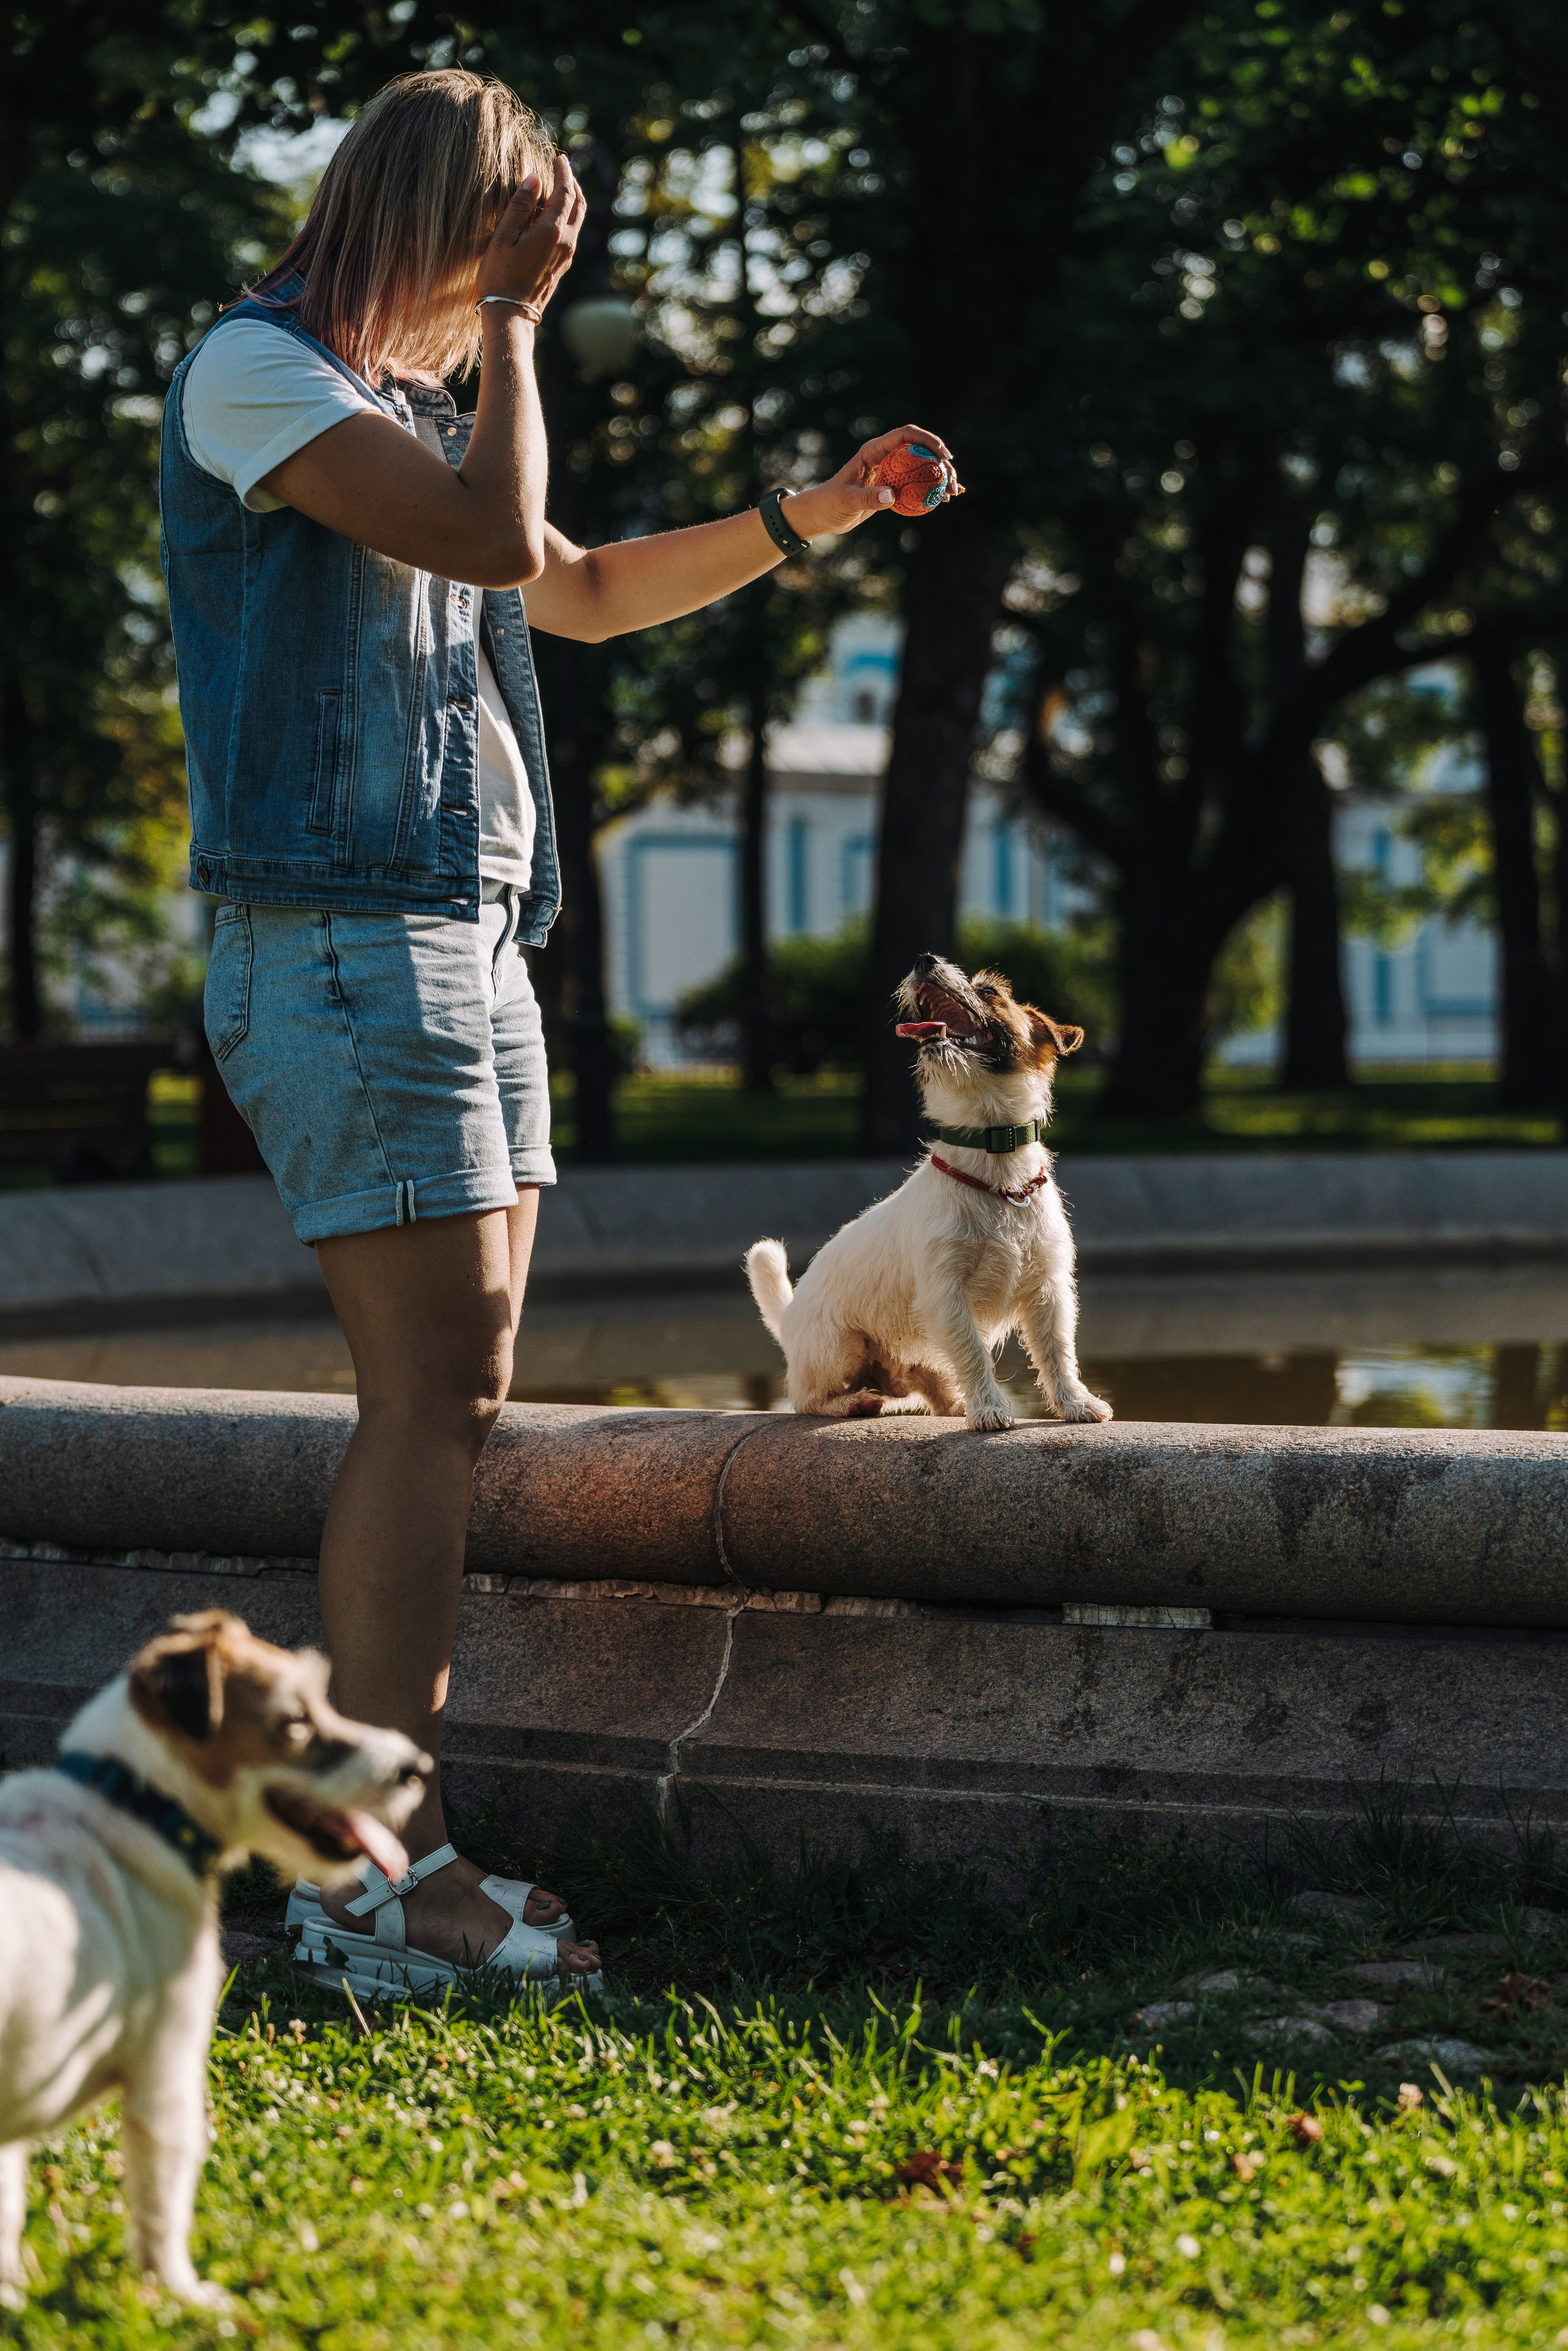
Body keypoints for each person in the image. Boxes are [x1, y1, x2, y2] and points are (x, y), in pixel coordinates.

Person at [159, 66, 956, 1994]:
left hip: (467, 942)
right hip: (353, 940)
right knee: (427, 1405)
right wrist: (517, 329)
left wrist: (814, 510)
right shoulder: (253, 376)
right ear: (439, 221)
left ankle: (370, 1853)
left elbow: (577, 590)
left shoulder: (418, 410)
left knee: (462, 1392)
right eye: (518, 242)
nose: (535, 274)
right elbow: (505, 547)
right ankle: (372, 1878)